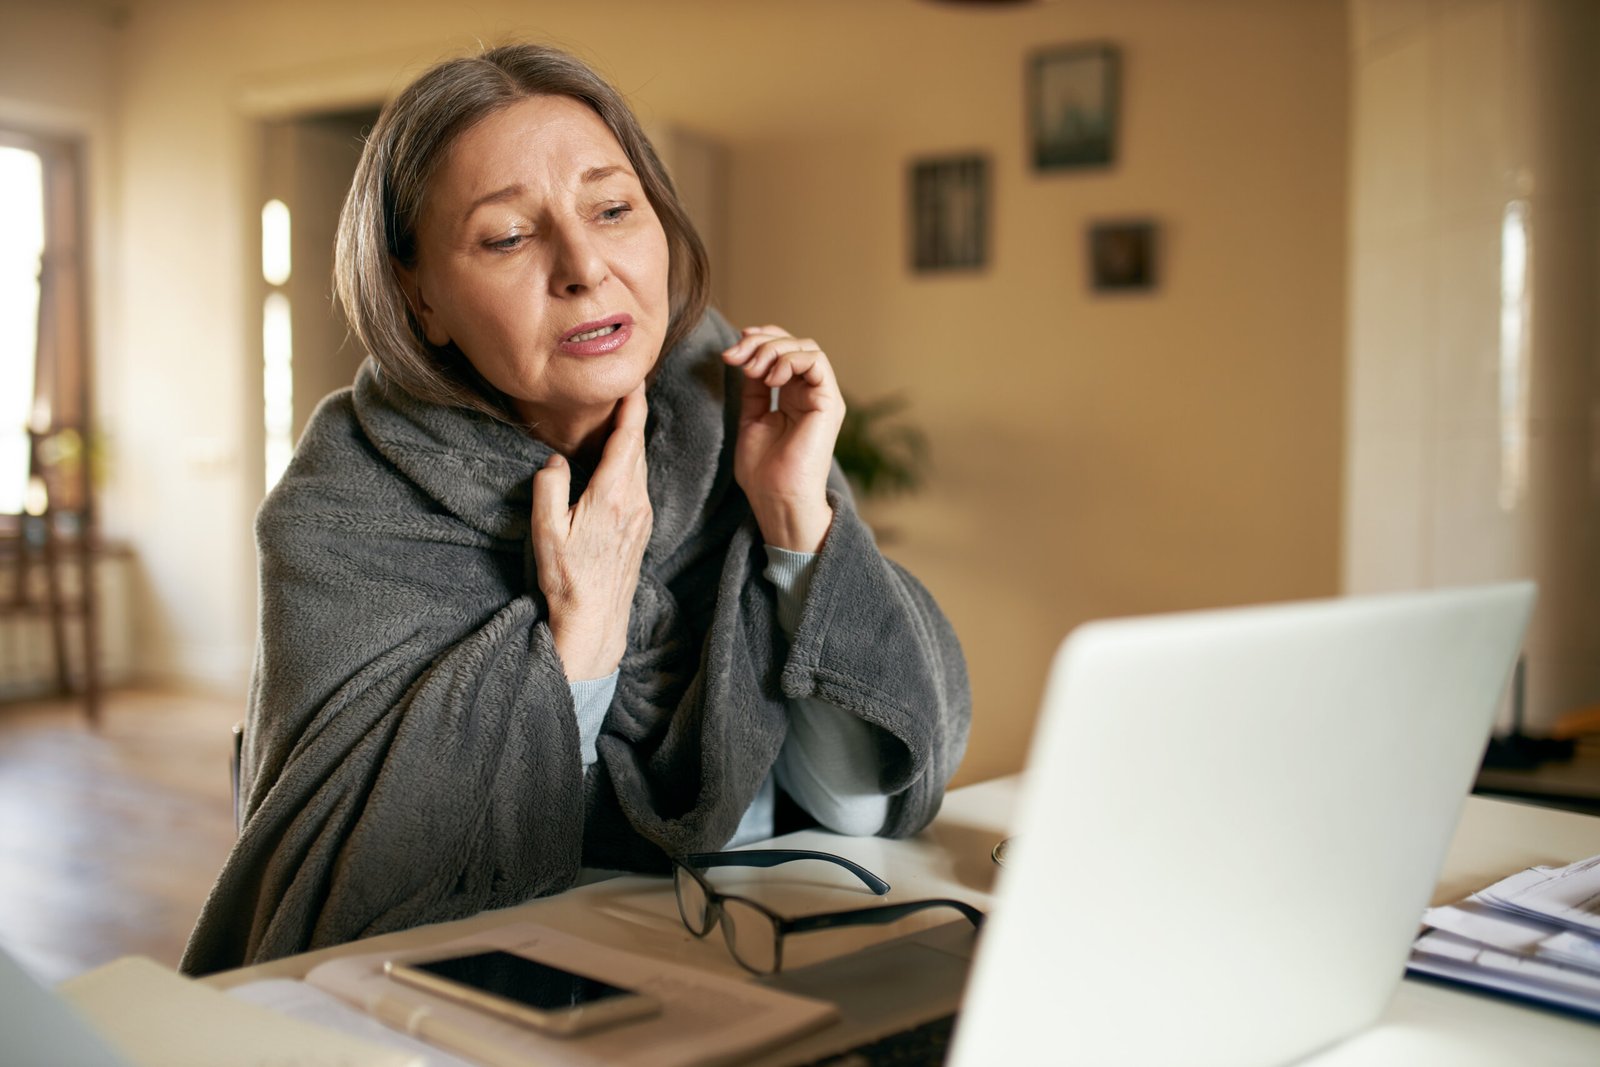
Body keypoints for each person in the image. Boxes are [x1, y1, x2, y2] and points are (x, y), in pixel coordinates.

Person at [181, 42, 970, 975]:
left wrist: (795, 520)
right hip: (494, 998)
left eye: (612, 209)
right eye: (508, 236)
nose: (585, 266)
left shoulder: (739, 415)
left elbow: (858, 810)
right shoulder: (346, 509)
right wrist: (581, 637)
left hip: (760, 970)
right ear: (418, 296)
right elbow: (345, 908)